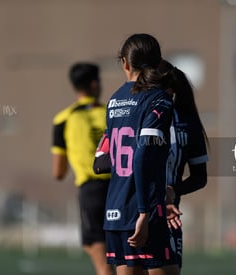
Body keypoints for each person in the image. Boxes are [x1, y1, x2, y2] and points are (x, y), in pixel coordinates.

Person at [100, 33, 180, 275]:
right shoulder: (159, 99)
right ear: (158, 62)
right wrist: (145, 210)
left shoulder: (114, 100)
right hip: (140, 212)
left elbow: (102, 161)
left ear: (125, 63)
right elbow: (142, 154)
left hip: (114, 210)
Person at [51, 62, 114, 275]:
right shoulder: (113, 112)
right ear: (95, 84)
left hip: (92, 190)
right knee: (128, 255)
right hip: (122, 186)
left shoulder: (63, 119)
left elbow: (58, 172)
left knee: (98, 250)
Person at [159, 60, 209, 272]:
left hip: (168, 217)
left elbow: (200, 177)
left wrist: (173, 190)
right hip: (134, 214)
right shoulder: (137, 114)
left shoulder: (187, 123)